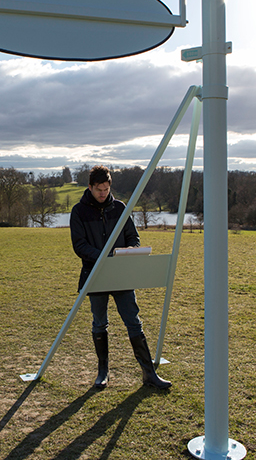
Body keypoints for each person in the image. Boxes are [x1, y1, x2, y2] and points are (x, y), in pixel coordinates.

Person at [69, 165, 171, 389]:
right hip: (95, 274)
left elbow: (132, 236)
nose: (103, 193)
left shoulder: (120, 208)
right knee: (100, 323)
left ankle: (148, 373)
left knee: (133, 321)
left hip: (122, 274)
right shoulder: (79, 211)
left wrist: (131, 251)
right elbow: (79, 245)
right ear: (90, 187)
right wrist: (104, 258)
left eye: (106, 189)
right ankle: (102, 372)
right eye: (98, 189)